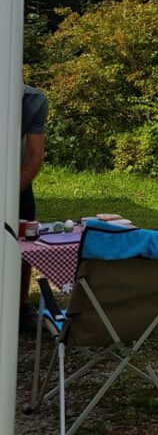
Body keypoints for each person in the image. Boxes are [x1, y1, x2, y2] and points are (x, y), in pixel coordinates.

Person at [20, 84, 48, 331]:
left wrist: (11, 192)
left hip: (16, 179)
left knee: (23, 240)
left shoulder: (32, 99)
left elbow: (35, 155)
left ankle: (20, 309)